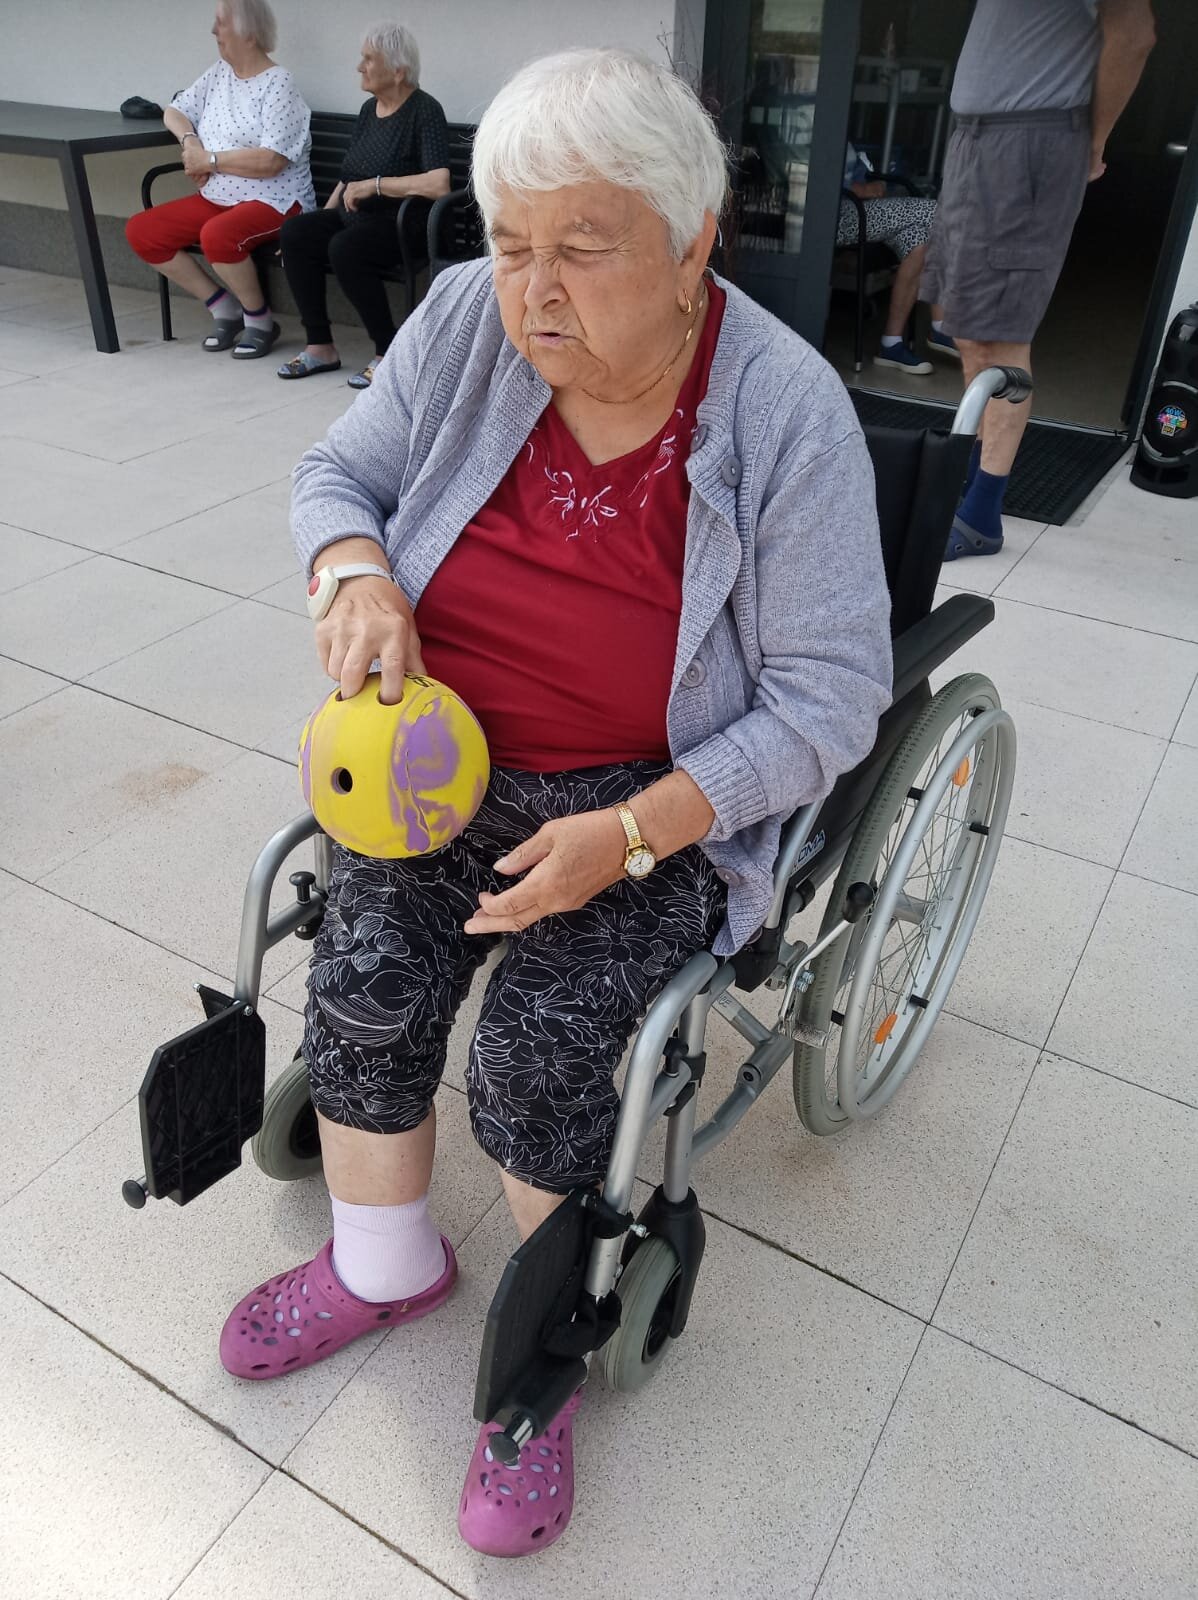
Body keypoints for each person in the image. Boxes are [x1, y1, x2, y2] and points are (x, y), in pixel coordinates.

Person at [220, 48, 891, 1558]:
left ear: (691, 243)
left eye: (580, 248)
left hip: (645, 796)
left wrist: (637, 831)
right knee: (365, 978)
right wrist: (355, 571)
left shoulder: (783, 411)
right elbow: (338, 473)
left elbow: (831, 697)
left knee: (539, 1056)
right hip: (438, 755)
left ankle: (540, 1363)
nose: (530, 291)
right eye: (510, 240)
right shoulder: (466, 317)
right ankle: (382, 1262)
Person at [923, 0, 1155, 558]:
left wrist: (1093, 140)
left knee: (1000, 334)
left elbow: (1134, 33)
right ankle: (969, 485)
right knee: (967, 329)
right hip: (974, 138)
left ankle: (982, 515)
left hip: (1030, 140)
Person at [125, 0, 314, 360]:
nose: (214, 31)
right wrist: (190, 143)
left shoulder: (279, 84)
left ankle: (259, 320)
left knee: (218, 235)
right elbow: (175, 111)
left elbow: (271, 161)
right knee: (143, 231)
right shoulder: (219, 74)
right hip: (218, 197)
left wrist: (209, 161)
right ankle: (224, 308)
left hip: (275, 201)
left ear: (249, 33)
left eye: (221, 23)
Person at [275, 24, 450, 389]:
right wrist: (321, 217)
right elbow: (348, 177)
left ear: (398, 71)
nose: (360, 67)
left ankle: (387, 351)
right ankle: (320, 346)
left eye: (369, 59)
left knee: (345, 248)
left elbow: (438, 184)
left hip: (402, 224)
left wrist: (376, 185)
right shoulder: (370, 110)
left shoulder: (425, 110)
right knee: (296, 233)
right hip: (356, 218)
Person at [838, 143, 957, 374]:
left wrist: (870, 184)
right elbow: (807, 173)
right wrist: (859, 188)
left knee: (920, 244)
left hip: (860, 208)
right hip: (837, 212)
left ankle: (891, 344)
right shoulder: (803, 127)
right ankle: (940, 326)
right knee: (936, 213)